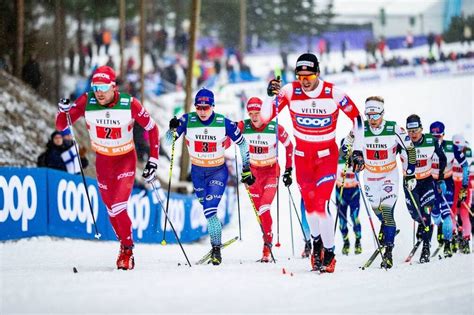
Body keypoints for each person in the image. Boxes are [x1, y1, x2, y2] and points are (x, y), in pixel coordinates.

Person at [262, 52, 365, 273]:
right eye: (300, 76)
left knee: (320, 205)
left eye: (308, 75)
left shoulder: (333, 93)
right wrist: (270, 95)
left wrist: (358, 151)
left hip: (326, 156)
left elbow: (357, 119)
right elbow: (264, 117)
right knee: (310, 208)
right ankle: (316, 242)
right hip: (302, 157)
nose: (304, 80)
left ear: (317, 72)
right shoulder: (289, 91)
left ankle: (329, 252)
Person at [56, 65, 160, 270]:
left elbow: (152, 128)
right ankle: (124, 243)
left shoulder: (129, 103)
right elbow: (62, 125)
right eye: (96, 86)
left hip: (125, 160)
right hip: (103, 161)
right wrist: (63, 110)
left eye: (104, 86)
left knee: (118, 205)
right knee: (111, 210)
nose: (99, 91)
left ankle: (128, 250)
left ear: (113, 86)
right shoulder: (87, 100)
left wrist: (154, 160)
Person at [167, 88, 255, 265]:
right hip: (197, 173)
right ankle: (216, 241)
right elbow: (169, 141)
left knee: (209, 210)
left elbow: (244, 144)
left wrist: (246, 168)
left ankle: (216, 249)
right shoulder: (188, 120)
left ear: (212, 106)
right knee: (206, 209)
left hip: (218, 172)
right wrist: (172, 129)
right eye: (199, 107)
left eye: (206, 108)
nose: (202, 111)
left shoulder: (223, 123)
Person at [346, 96, 416, 268]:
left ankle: (389, 252)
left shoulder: (393, 129)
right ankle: (387, 229)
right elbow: (346, 145)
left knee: (387, 212)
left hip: (389, 176)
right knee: (378, 211)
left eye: (375, 116)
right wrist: (351, 156)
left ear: (382, 113)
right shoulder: (360, 128)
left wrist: (410, 173)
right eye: (368, 116)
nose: (372, 120)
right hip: (369, 177)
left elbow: (410, 149)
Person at [237, 97, 294, 262]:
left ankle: (267, 246)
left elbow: (289, 145)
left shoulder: (273, 126)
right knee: (260, 214)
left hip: (270, 172)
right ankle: (267, 237)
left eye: (257, 113)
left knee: (264, 207)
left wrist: (289, 169)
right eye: (251, 113)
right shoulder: (244, 125)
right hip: (253, 174)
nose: (254, 117)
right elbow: (227, 134)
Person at [402, 114, 446, 264]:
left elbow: (443, 158)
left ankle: (426, 247)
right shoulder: (402, 141)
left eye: (416, 130)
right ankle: (421, 223)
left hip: (426, 182)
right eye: (410, 131)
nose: (413, 134)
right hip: (409, 184)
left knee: (426, 214)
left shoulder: (430, 141)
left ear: (421, 129)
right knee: (416, 214)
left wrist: (440, 178)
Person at [429, 121, 455, 257]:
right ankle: (439, 227)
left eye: (438, 136)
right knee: (435, 214)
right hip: (431, 182)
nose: (436, 139)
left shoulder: (451, 146)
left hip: (447, 183)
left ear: (443, 135)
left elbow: (465, 166)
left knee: (447, 214)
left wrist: (464, 185)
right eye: (433, 136)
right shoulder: (427, 145)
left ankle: (448, 243)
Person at [335, 140, 361, 256]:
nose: (348, 152)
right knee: (342, 220)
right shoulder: (337, 158)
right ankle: (346, 242)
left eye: (350, 149)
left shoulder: (357, 159)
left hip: (354, 191)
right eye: (345, 149)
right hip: (340, 192)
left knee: (354, 217)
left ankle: (358, 241)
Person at [451, 134, 472, 253]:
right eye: (456, 146)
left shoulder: (469, 154)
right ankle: (453, 238)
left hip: (465, 186)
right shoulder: (450, 153)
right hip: (453, 185)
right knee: (452, 211)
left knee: (464, 213)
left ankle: (466, 240)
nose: (459, 149)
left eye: (461, 147)